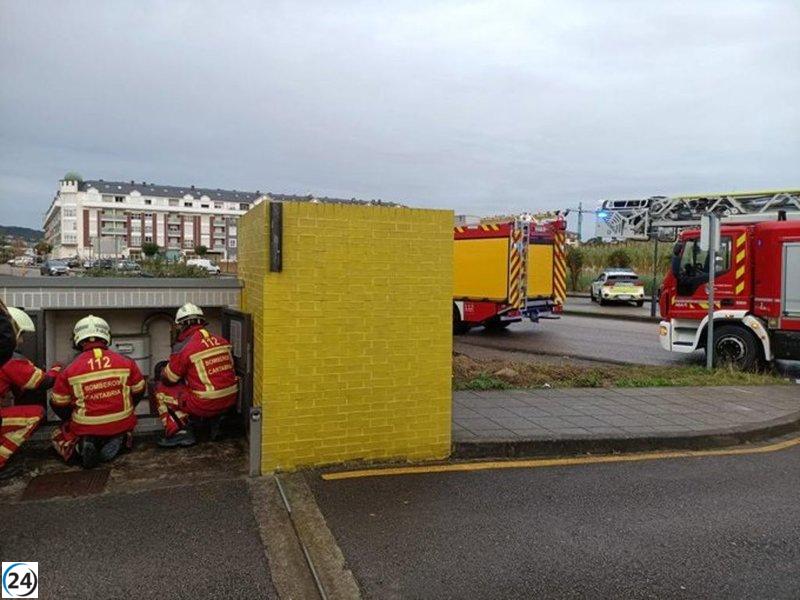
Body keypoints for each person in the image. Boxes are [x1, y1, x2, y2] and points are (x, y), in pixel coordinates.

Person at [51, 315, 145, 469]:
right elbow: (140, 390)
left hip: (85, 427)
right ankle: (121, 439)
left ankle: (79, 448)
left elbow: (58, 403)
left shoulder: (69, 369)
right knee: (124, 427)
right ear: (107, 336)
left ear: (78, 339)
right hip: (121, 422)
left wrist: (70, 419)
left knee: (57, 434)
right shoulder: (127, 362)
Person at [153, 303, 238, 447]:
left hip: (204, 404)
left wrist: (165, 369)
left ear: (182, 325)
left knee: (161, 390)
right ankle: (218, 421)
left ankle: (181, 432)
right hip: (230, 399)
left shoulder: (183, 347)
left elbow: (169, 379)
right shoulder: (222, 341)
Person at [0, 307, 60, 480]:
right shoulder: (9, 359)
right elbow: (43, 382)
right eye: (21, 334)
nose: (22, 340)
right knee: (36, 413)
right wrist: (56, 369)